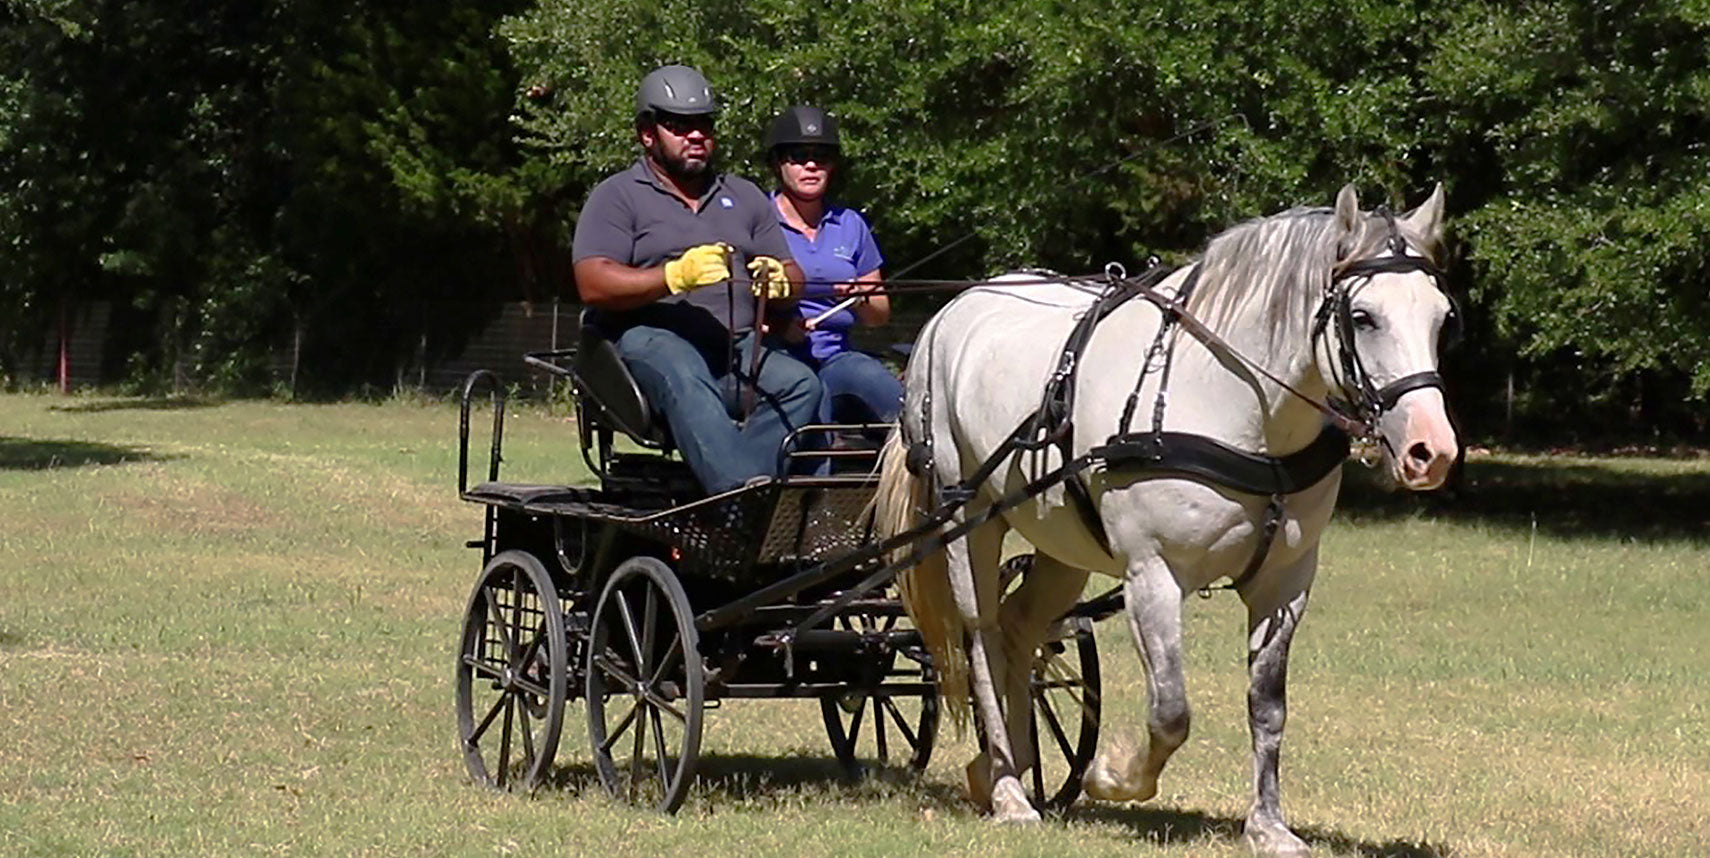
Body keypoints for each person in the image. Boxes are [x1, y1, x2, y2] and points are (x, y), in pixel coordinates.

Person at [571, 65, 821, 494]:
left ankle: (745, 490)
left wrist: (781, 282)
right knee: (684, 373)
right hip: (647, 339)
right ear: (647, 134)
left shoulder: (743, 196)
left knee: (801, 384)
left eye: (704, 124)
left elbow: (793, 273)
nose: (695, 135)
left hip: (734, 348)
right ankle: (738, 499)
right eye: (679, 125)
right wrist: (672, 277)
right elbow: (593, 282)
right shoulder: (618, 195)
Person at [765, 105, 903, 426]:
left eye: (822, 156)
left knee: (891, 396)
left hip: (839, 356)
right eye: (798, 156)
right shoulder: (759, 219)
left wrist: (859, 296)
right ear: (777, 162)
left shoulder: (851, 224)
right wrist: (780, 327)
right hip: (779, 357)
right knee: (811, 402)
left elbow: (878, 315)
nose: (811, 165)